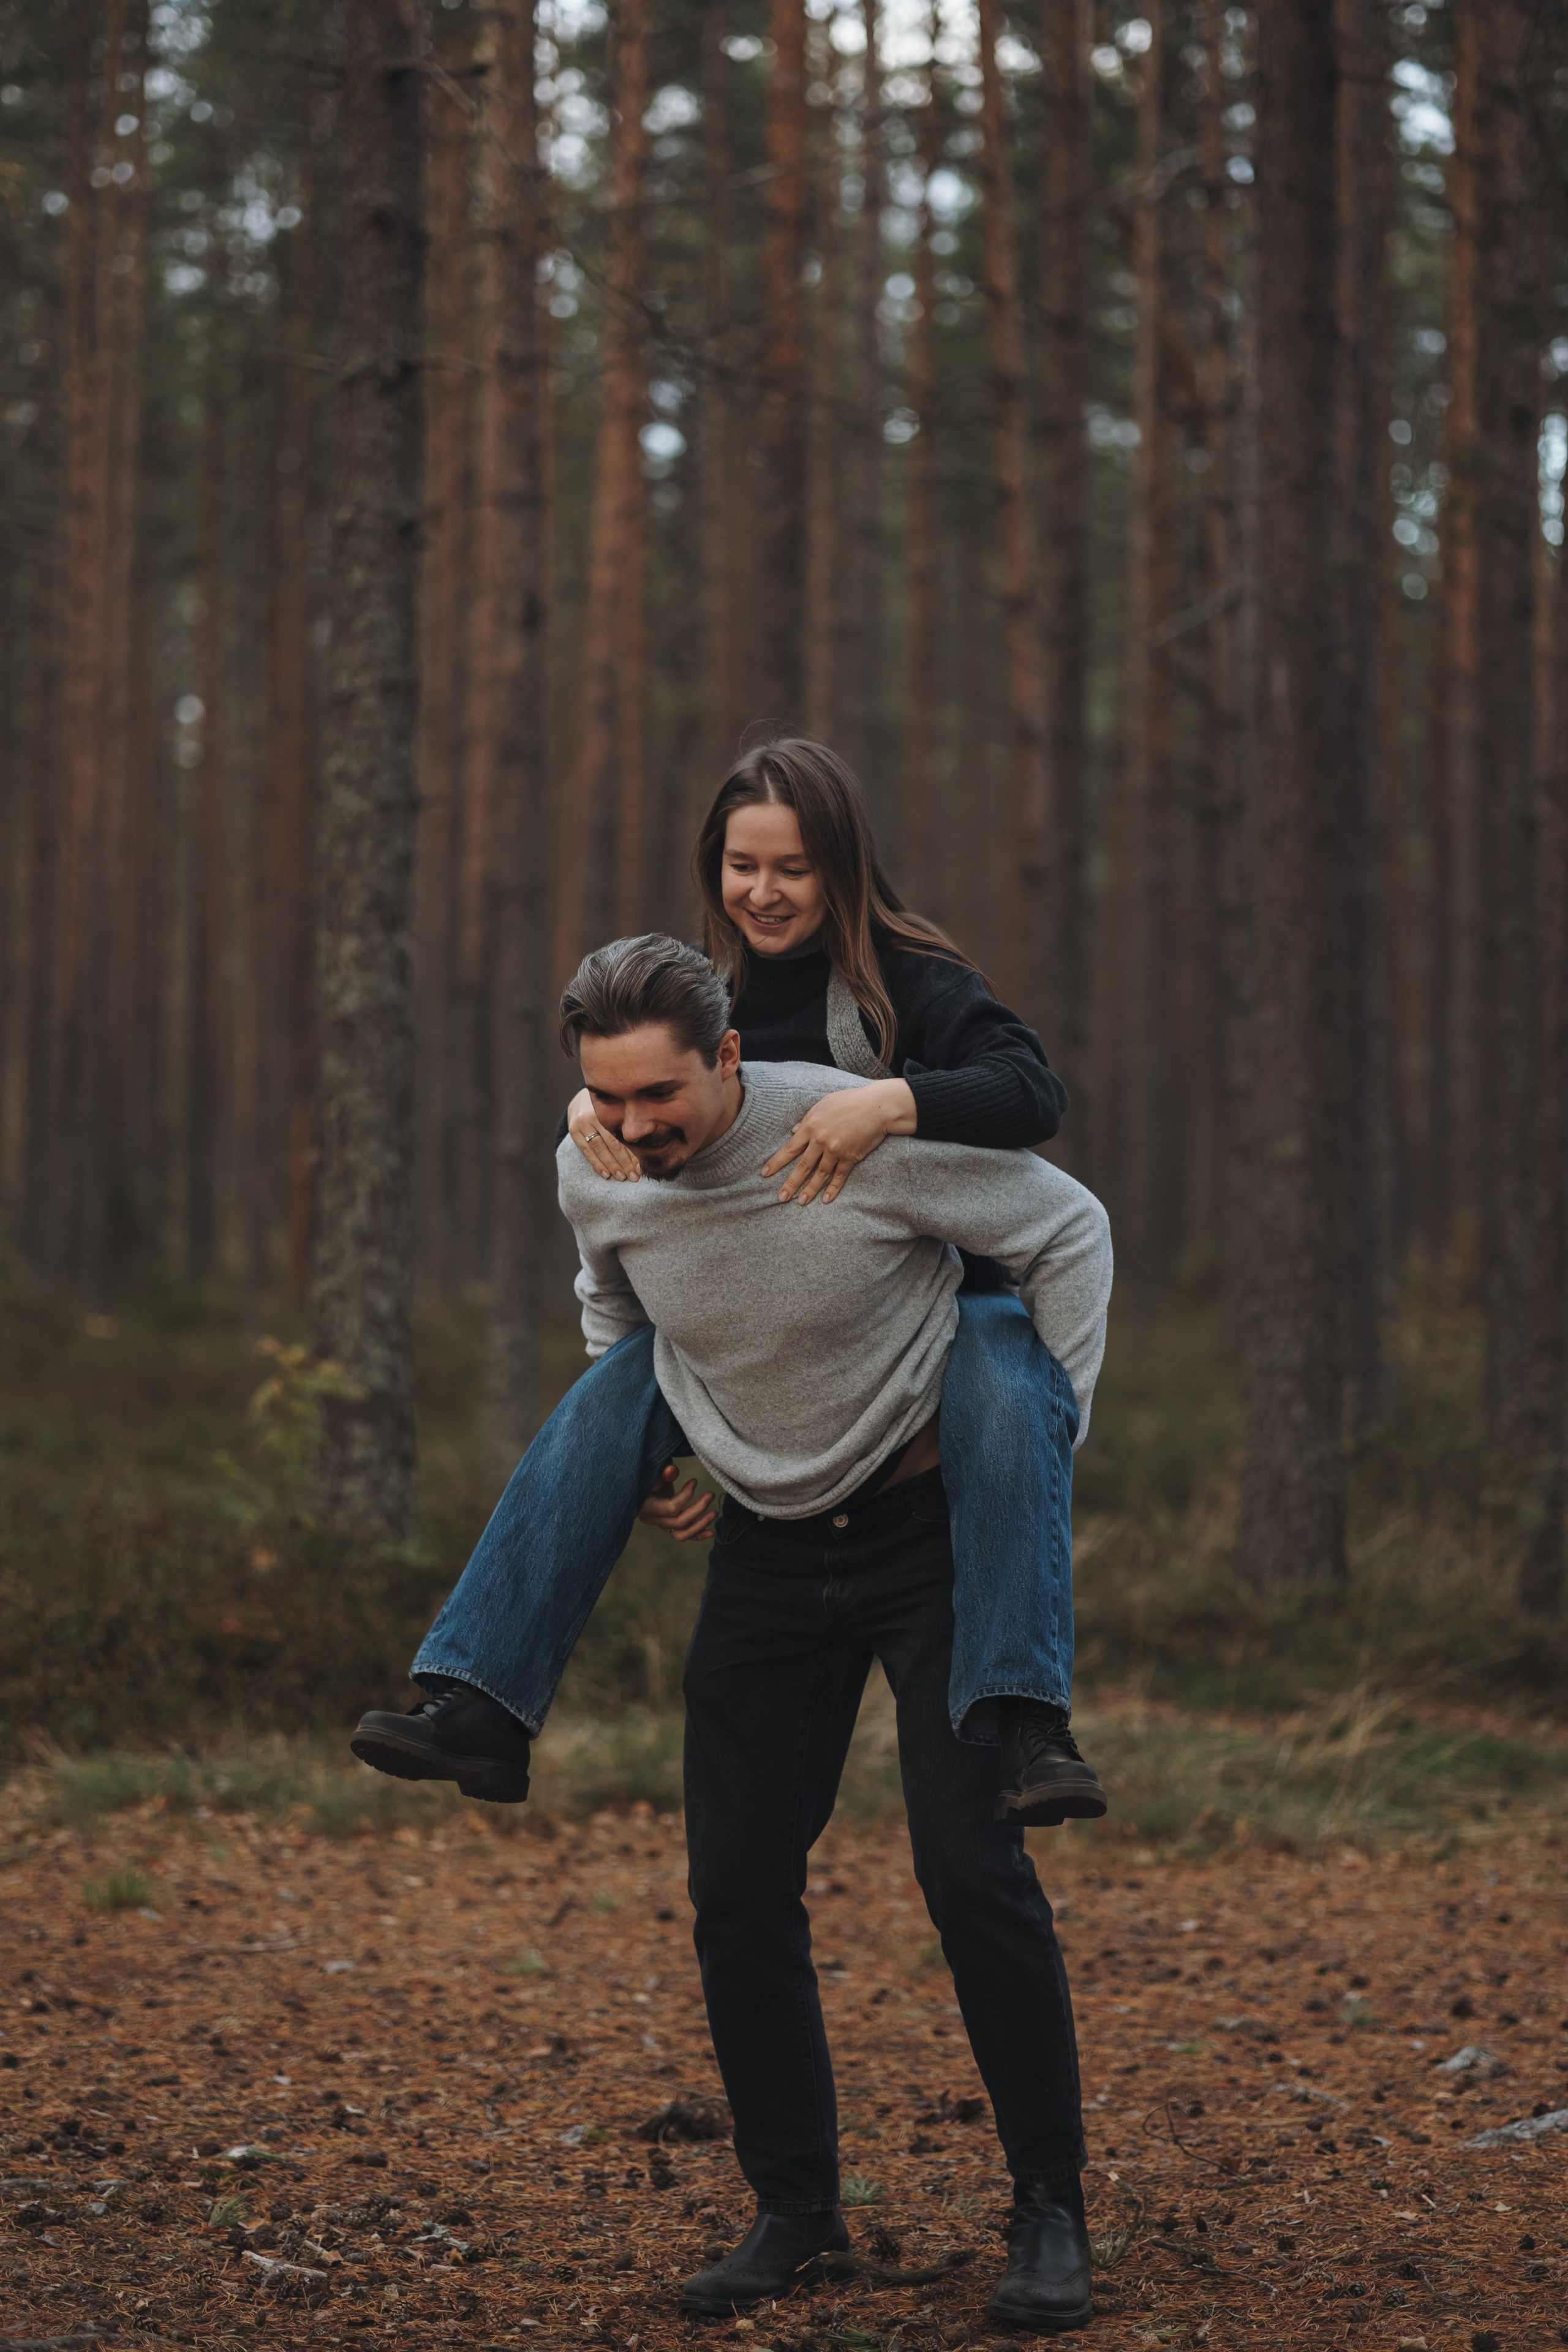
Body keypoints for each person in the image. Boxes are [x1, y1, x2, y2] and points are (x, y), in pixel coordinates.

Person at [353, 740, 1105, 1827]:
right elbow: (638, 1081)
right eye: (740, 866)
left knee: (997, 1363)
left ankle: (1031, 1721)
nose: (762, 892)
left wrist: (889, 1102)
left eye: (792, 868)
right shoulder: (704, 995)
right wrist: (598, 1111)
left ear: (841, 868)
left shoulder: (910, 982)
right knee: (617, 1381)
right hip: (752, 1330)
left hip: (934, 1307)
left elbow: (1033, 1098)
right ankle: (482, 1702)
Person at [549, 937, 1114, 2323]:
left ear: (728, 1059)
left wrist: (1040, 1444)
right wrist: (667, 1452)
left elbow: (1068, 1228)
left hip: (929, 1550)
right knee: (736, 1892)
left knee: (970, 1874)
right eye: (603, 1099)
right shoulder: (606, 1165)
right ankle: (795, 2210)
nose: (632, 1128)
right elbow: (611, 1309)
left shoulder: (836, 1130)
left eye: (656, 1097)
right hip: (765, 1558)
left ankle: (1049, 2214)